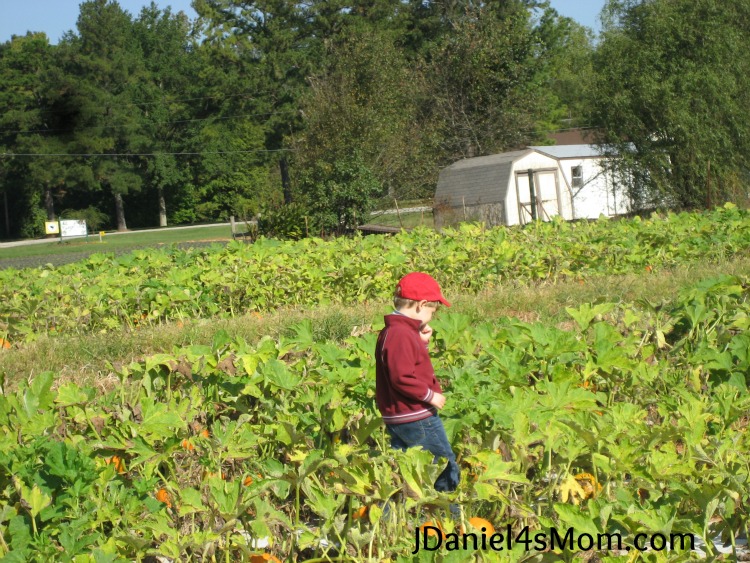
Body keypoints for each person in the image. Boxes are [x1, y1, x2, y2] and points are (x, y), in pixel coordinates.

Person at [375, 272, 460, 498]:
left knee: (406, 471)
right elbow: (401, 376)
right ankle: (447, 515)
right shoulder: (401, 334)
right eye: (433, 311)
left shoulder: (396, 332)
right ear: (422, 305)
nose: (433, 316)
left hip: (400, 416)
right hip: (415, 415)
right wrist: (429, 395)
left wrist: (421, 342)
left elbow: (405, 361)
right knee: (443, 465)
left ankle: (402, 517)